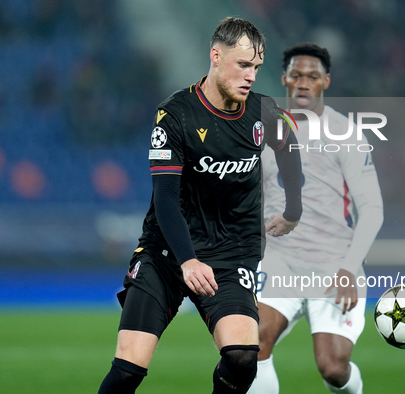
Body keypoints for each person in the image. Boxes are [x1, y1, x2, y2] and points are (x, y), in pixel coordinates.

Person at [98, 17, 303, 394]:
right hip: (167, 253)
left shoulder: (265, 112)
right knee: (128, 369)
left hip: (231, 255)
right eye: (243, 65)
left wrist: (294, 209)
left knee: (242, 358)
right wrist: (188, 260)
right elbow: (165, 198)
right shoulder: (175, 114)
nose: (251, 76)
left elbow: (290, 150)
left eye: (256, 67)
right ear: (216, 56)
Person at [248, 43, 384, 394]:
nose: (303, 83)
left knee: (332, 368)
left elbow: (372, 208)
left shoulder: (348, 134)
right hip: (279, 261)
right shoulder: (261, 132)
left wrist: (350, 268)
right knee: (252, 345)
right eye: (296, 76)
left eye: (312, 77)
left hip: (333, 265)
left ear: (326, 81)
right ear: (284, 80)